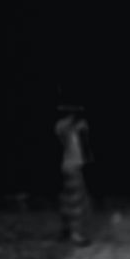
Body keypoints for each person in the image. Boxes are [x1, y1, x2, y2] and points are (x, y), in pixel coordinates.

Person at [54, 104, 93, 245]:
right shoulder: (70, 126)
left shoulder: (64, 125)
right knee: (76, 200)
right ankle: (75, 233)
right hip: (72, 164)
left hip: (68, 164)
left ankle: (66, 229)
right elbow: (84, 145)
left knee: (66, 199)